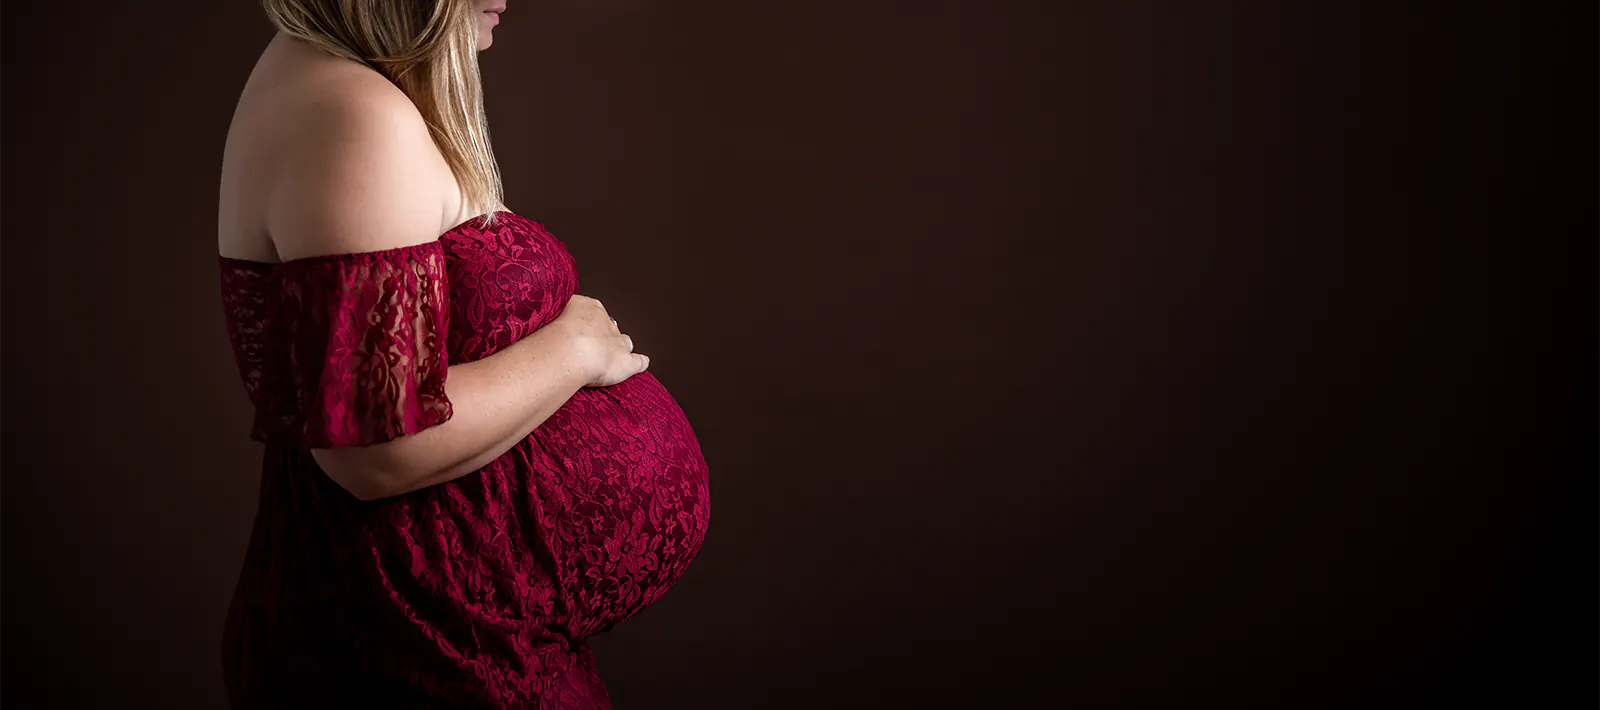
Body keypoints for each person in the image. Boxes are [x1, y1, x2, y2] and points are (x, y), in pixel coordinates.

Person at [214, 1, 711, 706]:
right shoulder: (352, 113)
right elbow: (374, 449)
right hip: (419, 647)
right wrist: (570, 352)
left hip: (459, 635)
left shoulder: (347, 90)